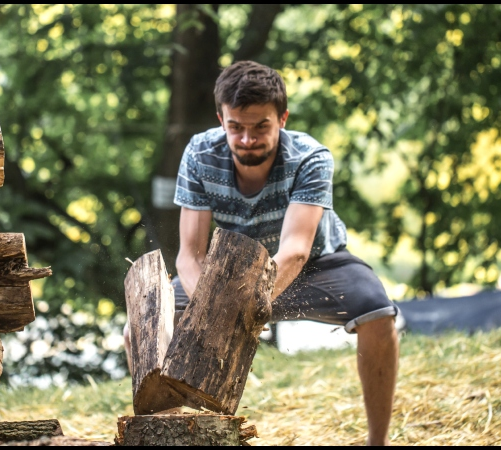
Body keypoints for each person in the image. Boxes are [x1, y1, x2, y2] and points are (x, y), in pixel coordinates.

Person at [125, 60, 399, 445]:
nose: (247, 139)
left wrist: (243, 312)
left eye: (260, 128)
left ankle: (378, 442)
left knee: (378, 314)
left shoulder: (311, 158)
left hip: (313, 266)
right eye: (235, 127)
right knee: (140, 330)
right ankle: (169, 438)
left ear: (282, 118)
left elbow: (296, 250)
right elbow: (189, 255)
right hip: (229, 276)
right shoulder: (199, 154)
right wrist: (216, 309)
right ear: (221, 118)